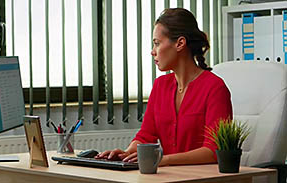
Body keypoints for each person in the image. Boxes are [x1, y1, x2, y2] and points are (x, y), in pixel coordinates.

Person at [96, 8, 232, 166]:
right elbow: (146, 136)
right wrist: (126, 154)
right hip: (168, 176)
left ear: (180, 43)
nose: (152, 52)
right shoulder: (160, 86)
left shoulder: (215, 88)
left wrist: (163, 160)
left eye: (157, 43)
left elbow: (214, 150)